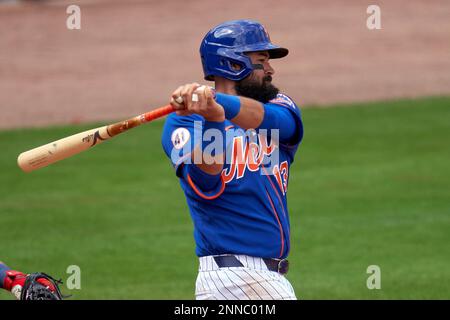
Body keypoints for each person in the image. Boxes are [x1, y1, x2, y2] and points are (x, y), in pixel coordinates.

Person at [161, 19, 303, 300]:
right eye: (262, 60)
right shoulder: (183, 124)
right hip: (235, 278)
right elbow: (206, 182)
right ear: (234, 64)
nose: (271, 69)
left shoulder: (280, 107)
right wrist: (212, 119)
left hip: (258, 279)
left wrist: (216, 102)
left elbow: (273, 120)